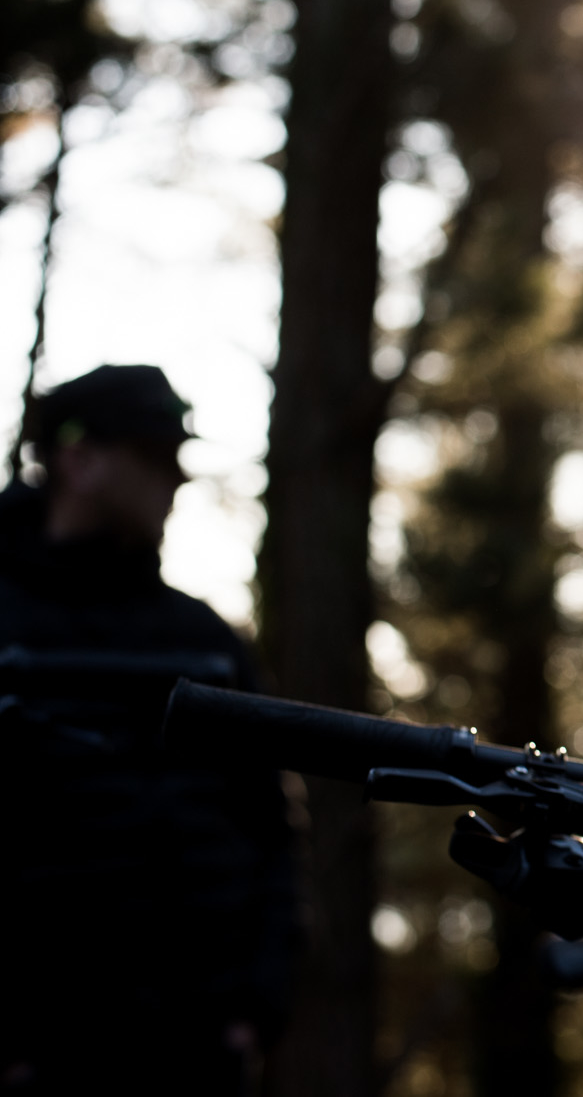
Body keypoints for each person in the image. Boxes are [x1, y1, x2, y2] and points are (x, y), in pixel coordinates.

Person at [0, 365, 296, 1094]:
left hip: (197, 1050)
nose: (177, 480)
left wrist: (256, 1005)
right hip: (38, 1056)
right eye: (155, 457)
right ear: (78, 459)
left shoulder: (205, 641)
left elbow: (273, 829)